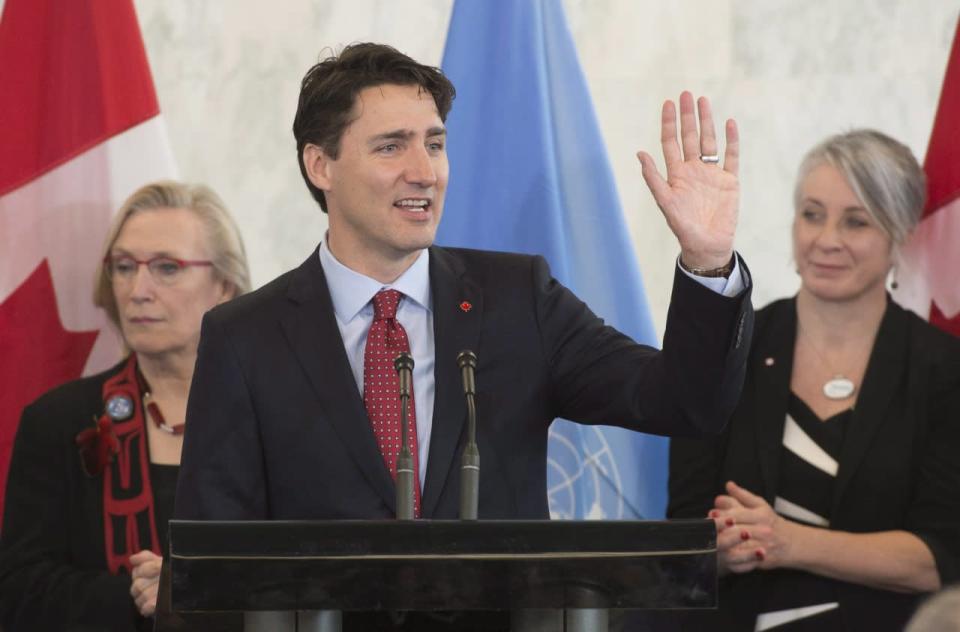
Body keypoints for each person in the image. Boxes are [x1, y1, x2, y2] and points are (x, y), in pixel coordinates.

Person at [174, 43, 752, 629]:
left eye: (435, 144)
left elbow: (685, 402)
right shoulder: (245, 337)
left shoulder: (517, 299)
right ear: (320, 165)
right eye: (391, 146)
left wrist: (708, 263)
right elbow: (211, 566)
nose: (424, 171)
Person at [668, 129, 960, 631]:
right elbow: (680, 538)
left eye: (856, 222)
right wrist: (717, 550)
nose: (826, 240)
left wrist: (787, 541)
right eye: (812, 214)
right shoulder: (727, 347)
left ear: (900, 233)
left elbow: (939, 557)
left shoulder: (943, 369)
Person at [0, 181, 250, 631]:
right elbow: (18, 594)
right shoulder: (58, 421)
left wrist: (194, 591)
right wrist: (140, 597)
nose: (138, 290)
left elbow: (315, 574)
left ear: (224, 286)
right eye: (123, 267)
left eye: (167, 268)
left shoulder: (273, 418)